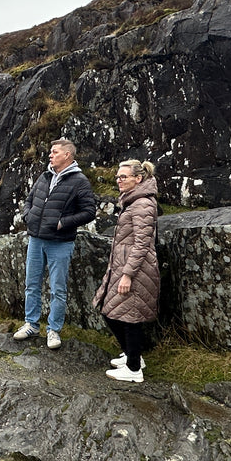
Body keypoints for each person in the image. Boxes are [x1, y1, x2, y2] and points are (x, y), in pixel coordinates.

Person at [13, 138, 99, 350]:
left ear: (67, 155)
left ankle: (53, 330)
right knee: (31, 284)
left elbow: (89, 211)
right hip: (36, 239)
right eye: (51, 152)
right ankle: (31, 324)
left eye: (55, 152)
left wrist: (63, 223)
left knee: (58, 288)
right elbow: (29, 200)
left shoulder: (79, 181)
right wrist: (28, 216)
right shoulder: (45, 176)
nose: (50, 155)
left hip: (60, 242)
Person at [93, 159, 160, 382]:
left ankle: (133, 370)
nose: (119, 181)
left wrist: (128, 274)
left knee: (130, 316)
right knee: (113, 311)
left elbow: (142, 244)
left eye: (123, 177)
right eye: (117, 177)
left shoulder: (142, 204)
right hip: (123, 267)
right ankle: (134, 356)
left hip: (136, 270)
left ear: (138, 178)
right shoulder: (133, 201)